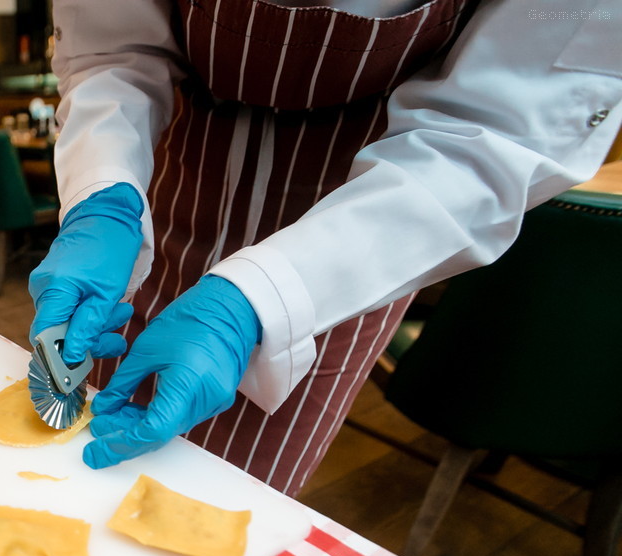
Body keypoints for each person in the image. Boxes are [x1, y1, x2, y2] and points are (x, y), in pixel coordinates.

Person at [31, 0, 622, 496]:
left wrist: (256, 305)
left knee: (230, 498)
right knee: (92, 437)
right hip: (167, 182)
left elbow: (494, 138)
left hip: (364, 229)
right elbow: (113, 49)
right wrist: (103, 196)